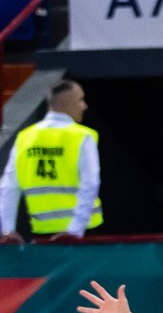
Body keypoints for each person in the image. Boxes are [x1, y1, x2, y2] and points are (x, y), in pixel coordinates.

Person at [1, 80, 101, 242]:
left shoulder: (25, 138)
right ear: (66, 103)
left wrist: (7, 230)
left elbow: (9, 187)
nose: (84, 106)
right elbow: (90, 185)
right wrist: (74, 230)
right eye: (80, 100)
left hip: (43, 232)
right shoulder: (83, 136)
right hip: (83, 232)